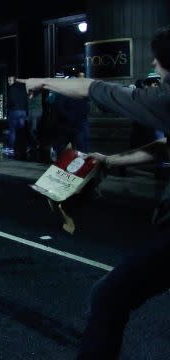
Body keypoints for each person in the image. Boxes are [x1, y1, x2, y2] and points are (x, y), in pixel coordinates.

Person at [19, 25, 170, 360]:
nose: (155, 69)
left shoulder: (166, 98)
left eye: (159, 63)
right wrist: (112, 161)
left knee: (110, 296)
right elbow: (165, 146)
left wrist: (42, 81)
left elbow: (93, 88)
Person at [6, 75, 29, 157]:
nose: (9, 82)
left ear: (14, 81)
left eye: (10, 80)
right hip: (23, 111)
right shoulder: (23, 89)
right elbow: (26, 100)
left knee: (12, 130)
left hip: (14, 111)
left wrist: (8, 108)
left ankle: (11, 147)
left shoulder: (12, 89)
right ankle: (24, 146)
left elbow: (10, 100)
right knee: (22, 130)